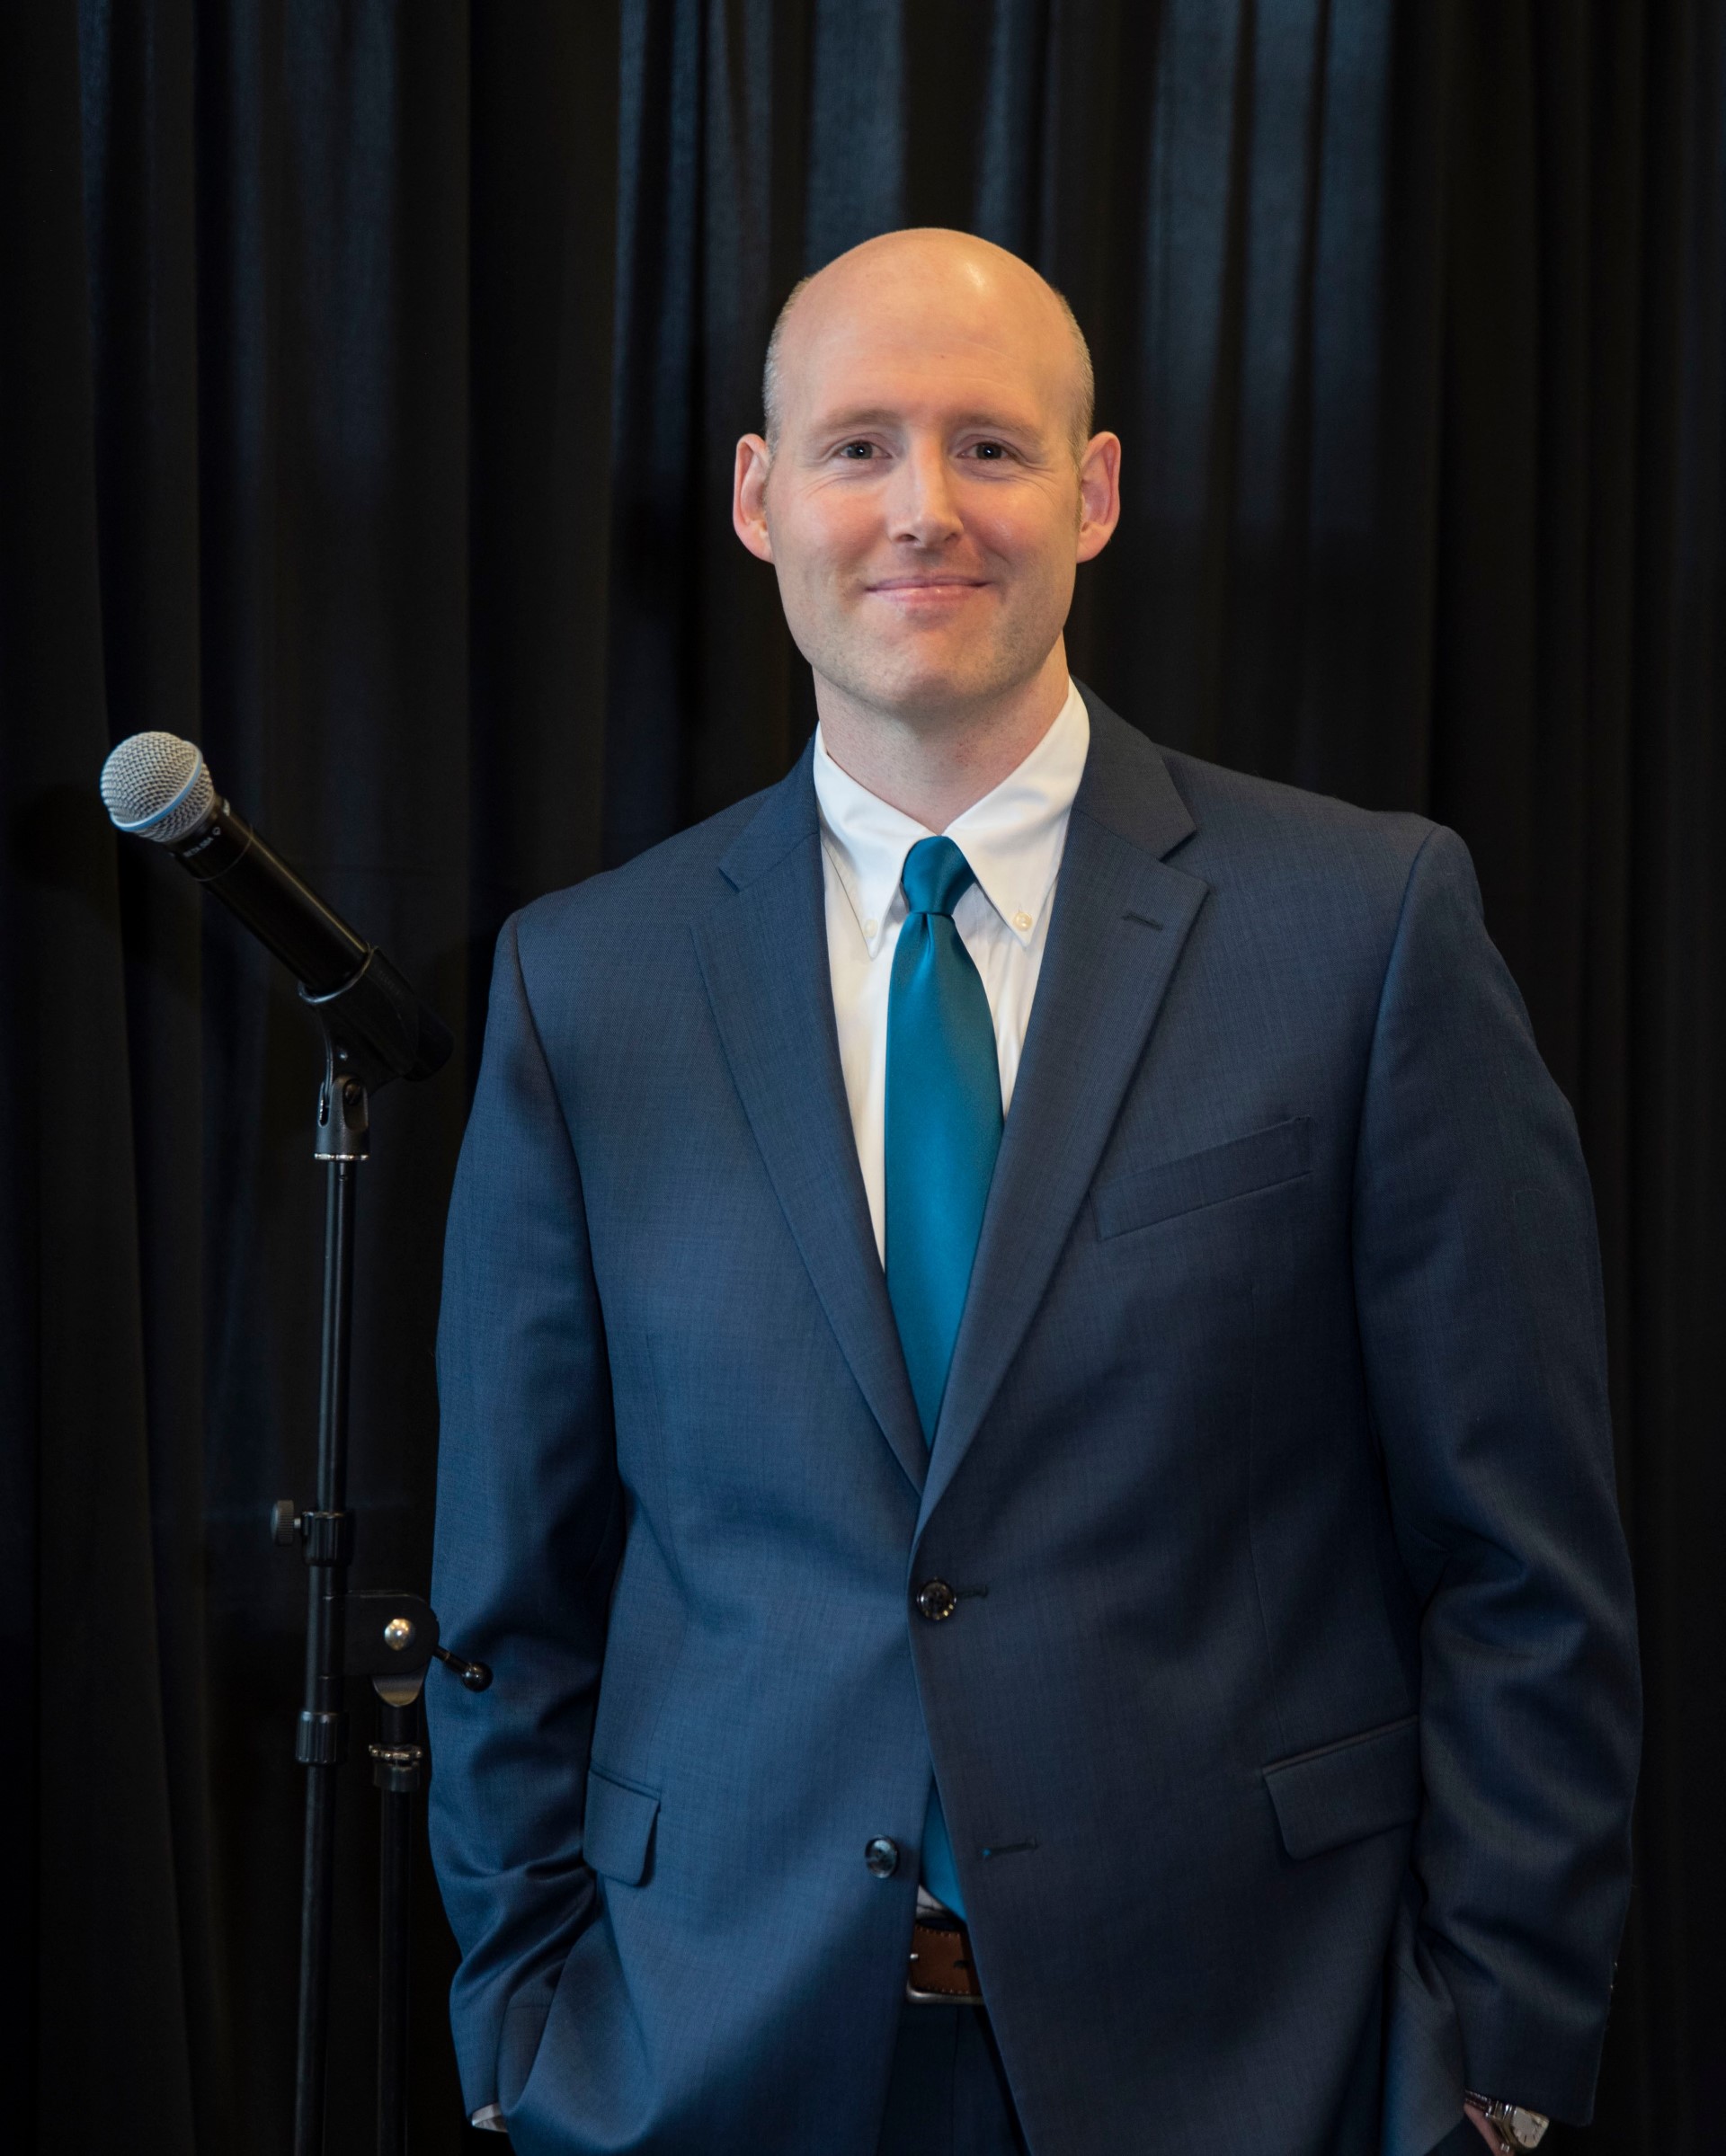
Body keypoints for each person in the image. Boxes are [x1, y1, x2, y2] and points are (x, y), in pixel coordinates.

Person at [426, 229, 1640, 2156]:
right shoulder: (587, 986)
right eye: (857, 449)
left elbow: (1525, 1561)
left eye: (990, 448)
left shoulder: (1367, 928)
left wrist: (1493, 2055)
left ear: (1096, 492)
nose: (924, 511)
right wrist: (522, 2024)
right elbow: (515, 1588)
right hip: (703, 2061)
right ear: (760, 499)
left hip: (1259, 2053)